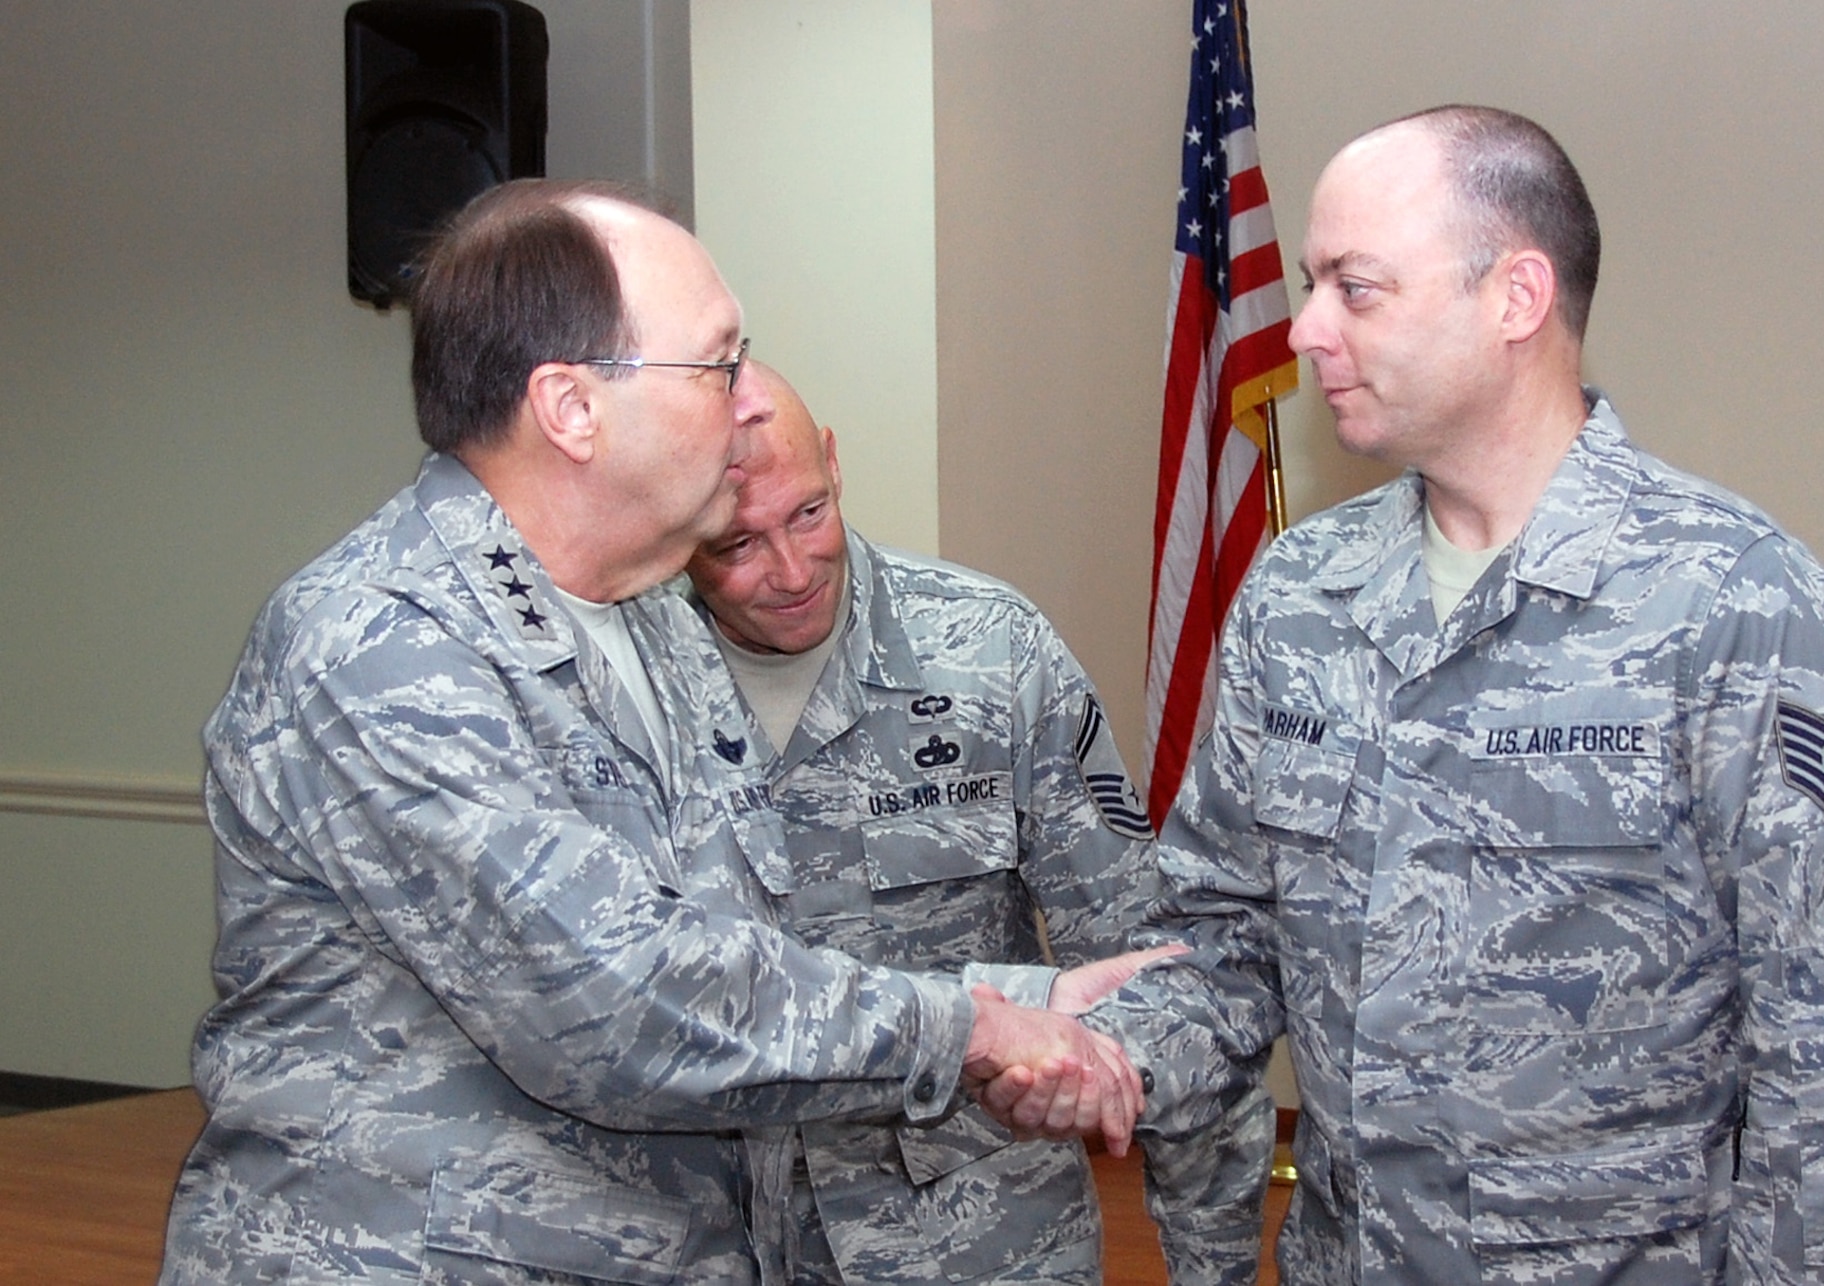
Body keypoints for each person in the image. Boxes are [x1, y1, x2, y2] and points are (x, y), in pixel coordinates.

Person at [993, 105, 1824, 1284]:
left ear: (1514, 298)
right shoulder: (1299, 595)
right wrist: (1105, 1050)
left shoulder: (1739, 606)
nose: (1304, 329)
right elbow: (1224, 944)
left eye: (1356, 287)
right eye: (1309, 283)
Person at [159, 178, 1142, 1285]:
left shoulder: (654, 621)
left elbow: (741, 947)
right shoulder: (382, 644)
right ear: (572, 408)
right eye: (716, 364)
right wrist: (971, 1026)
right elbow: (616, 1001)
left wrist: (1021, 1001)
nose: (743, 404)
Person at [678, 368, 1272, 1285]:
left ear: (835, 463)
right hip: (710, 1243)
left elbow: (1157, 984)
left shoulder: (991, 653)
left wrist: (1214, 1266)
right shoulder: (625, 690)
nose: (792, 574)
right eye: (736, 545)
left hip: (978, 1245)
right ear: (673, 526)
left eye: (808, 515)